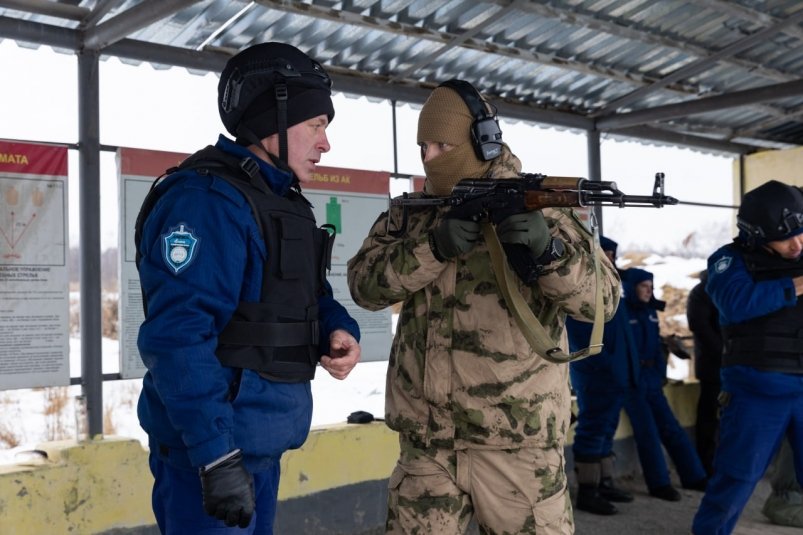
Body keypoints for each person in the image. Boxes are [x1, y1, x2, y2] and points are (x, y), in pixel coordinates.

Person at [346, 79, 620, 534]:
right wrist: (431, 247)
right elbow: (363, 286)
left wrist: (548, 252)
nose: (429, 157)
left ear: (483, 142)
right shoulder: (414, 213)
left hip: (517, 446)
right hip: (428, 445)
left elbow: (603, 302)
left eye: (442, 144)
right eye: (423, 146)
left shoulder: (544, 210)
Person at [135, 42, 362, 534]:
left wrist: (336, 329)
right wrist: (216, 458)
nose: (325, 145)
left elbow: (304, 296)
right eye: (316, 126)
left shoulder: (283, 203)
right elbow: (178, 337)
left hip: (258, 445)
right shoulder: (205, 203)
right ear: (271, 119)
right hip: (210, 455)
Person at [692, 179, 803, 535]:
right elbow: (737, 303)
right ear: (755, 234)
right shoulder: (728, 259)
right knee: (735, 481)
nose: (797, 244)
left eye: (802, 233)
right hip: (756, 393)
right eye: (787, 238)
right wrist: (797, 285)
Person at [619, 268, 708, 501]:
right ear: (631, 288)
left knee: (672, 428)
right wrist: (631, 376)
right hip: (632, 382)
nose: (649, 291)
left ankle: (694, 476)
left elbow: (658, 345)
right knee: (647, 431)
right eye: (644, 286)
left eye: (651, 286)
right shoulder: (621, 313)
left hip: (651, 378)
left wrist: (659, 372)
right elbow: (620, 350)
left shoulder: (649, 312)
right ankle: (659, 483)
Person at [566, 236, 636, 516]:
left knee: (606, 429)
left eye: (611, 253)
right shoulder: (581, 286)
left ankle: (604, 483)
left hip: (614, 373)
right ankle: (588, 491)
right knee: (593, 428)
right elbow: (582, 336)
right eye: (605, 252)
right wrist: (604, 366)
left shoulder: (610, 285)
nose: (610, 257)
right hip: (596, 373)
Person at [685, 269, 722, 477]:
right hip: (712, 366)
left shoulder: (728, 288)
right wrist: (726, 351)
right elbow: (699, 326)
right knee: (708, 417)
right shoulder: (701, 292)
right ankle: (706, 463)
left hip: (733, 364)